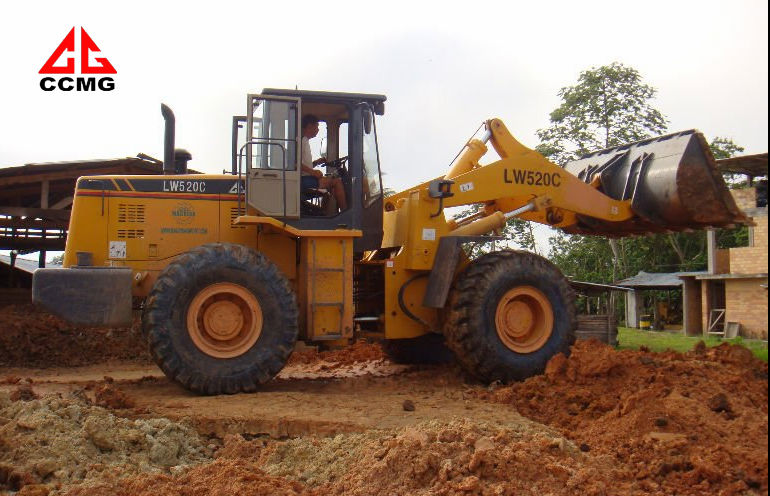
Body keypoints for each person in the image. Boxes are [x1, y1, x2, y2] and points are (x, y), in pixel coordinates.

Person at [301, 114, 347, 212]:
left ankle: (324, 213)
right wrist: (313, 172)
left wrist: (316, 163)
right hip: (304, 180)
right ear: (309, 126)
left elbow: (303, 165)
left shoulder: (305, 141)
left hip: (306, 177)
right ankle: (345, 213)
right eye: (316, 127)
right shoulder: (301, 141)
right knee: (337, 182)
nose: (317, 130)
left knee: (329, 189)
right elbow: (296, 164)